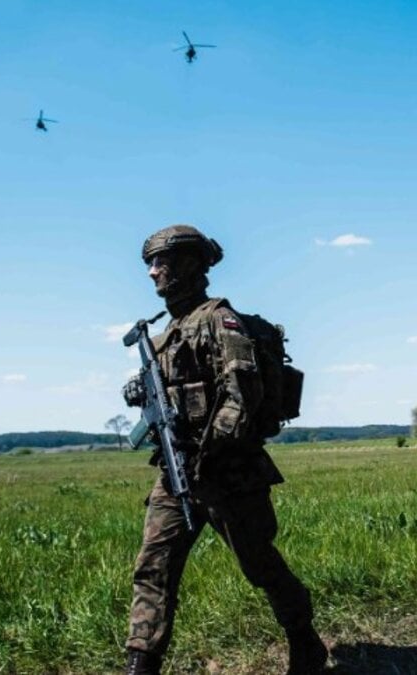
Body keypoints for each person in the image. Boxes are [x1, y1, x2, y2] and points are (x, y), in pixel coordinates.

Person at [121, 225, 327, 674]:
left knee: (259, 565)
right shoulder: (165, 335)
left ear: (191, 264)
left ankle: (305, 640)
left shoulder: (219, 319)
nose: (154, 272)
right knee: (153, 569)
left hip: (228, 472)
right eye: (151, 264)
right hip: (176, 474)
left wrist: (210, 454)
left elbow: (242, 396)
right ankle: (140, 665)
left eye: (162, 262)